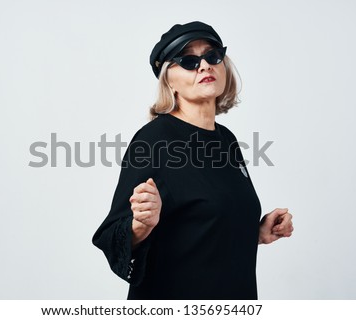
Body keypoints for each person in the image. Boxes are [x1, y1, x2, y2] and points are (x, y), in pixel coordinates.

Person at [92, 21, 294, 300]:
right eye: (188, 61)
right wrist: (142, 225)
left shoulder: (227, 139)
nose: (204, 66)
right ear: (168, 81)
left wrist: (255, 231)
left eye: (212, 56)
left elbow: (205, 222)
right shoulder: (154, 141)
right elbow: (111, 236)